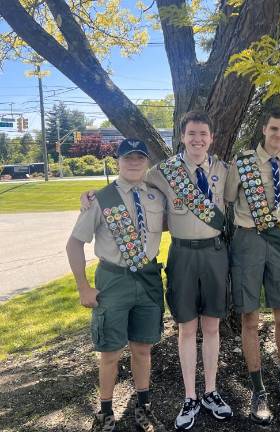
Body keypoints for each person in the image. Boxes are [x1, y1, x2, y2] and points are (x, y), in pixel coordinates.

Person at [66, 139, 166, 432]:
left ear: (146, 162)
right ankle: (105, 410)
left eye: (139, 157)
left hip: (147, 279)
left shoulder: (156, 198)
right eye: (127, 157)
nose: (134, 162)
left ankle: (143, 406)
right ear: (117, 161)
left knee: (143, 348)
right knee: (110, 351)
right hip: (113, 280)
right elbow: (74, 244)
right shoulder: (101, 199)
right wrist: (83, 287)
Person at [146, 111, 233, 430]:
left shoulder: (223, 170)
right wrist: (93, 198)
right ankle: (190, 396)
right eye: (192, 133)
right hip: (181, 254)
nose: (198, 139)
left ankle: (210, 391)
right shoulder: (164, 171)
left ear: (211, 138)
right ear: (182, 137)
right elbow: (132, 185)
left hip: (214, 253)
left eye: (204, 134)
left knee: (211, 327)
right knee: (186, 328)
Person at [223, 107, 280, 425]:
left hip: (276, 237)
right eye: (274, 129)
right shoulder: (242, 162)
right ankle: (258, 390)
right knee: (249, 318)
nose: (279, 135)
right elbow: (228, 198)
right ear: (264, 128)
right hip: (246, 239)